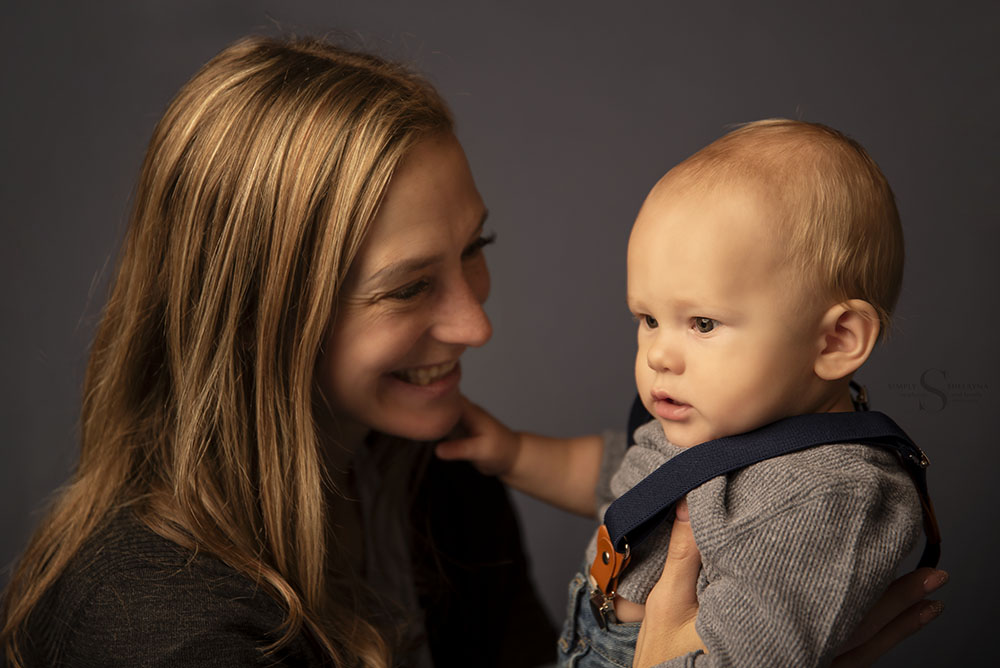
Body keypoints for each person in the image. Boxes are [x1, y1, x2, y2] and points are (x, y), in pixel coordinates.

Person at [0, 36, 942, 668]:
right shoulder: (157, 632)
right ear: (263, 320)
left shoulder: (432, 473)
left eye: (474, 254)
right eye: (409, 286)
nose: (476, 326)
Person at [437, 120, 944, 666]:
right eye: (648, 319)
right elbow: (623, 478)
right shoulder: (715, 419)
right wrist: (513, 453)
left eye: (702, 323)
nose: (659, 353)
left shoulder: (827, 497)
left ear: (836, 340)